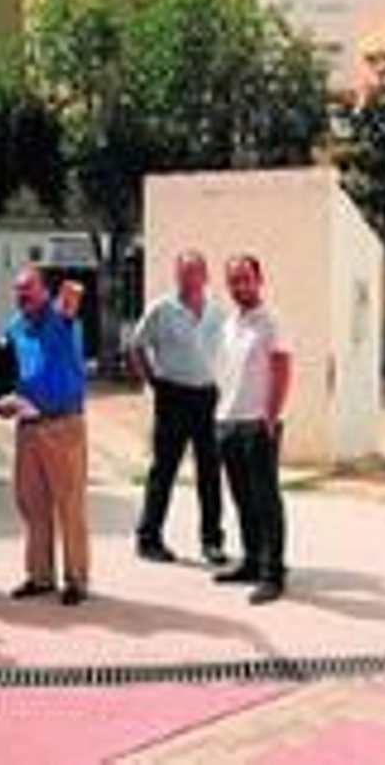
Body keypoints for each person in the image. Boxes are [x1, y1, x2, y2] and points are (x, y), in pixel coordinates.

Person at [0, 267, 91, 606]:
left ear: (46, 292)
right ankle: (40, 576)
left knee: (69, 505)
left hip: (63, 424)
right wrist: (8, 399)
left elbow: (73, 295)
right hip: (28, 425)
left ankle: (76, 579)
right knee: (32, 505)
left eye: (29, 288)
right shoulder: (13, 327)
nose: (22, 295)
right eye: (17, 289)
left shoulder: (61, 318)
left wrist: (68, 293)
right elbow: (13, 372)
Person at [129, 251, 228, 566]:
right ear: (176, 275)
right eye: (184, 273)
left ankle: (212, 542)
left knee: (210, 473)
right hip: (172, 396)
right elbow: (136, 346)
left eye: (195, 272)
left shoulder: (217, 313)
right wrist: (153, 381)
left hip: (207, 397)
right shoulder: (162, 309)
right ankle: (149, 538)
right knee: (164, 471)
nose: (190, 278)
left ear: (205, 276)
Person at [213, 255, 293, 605]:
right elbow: (228, 372)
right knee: (242, 499)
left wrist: (270, 418)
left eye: (246, 278)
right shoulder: (230, 323)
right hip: (228, 420)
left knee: (265, 500)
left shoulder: (272, 321)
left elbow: (282, 369)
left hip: (258, 422)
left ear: (259, 280)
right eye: (234, 280)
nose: (240, 286)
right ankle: (251, 561)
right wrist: (220, 416)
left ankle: (273, 573)